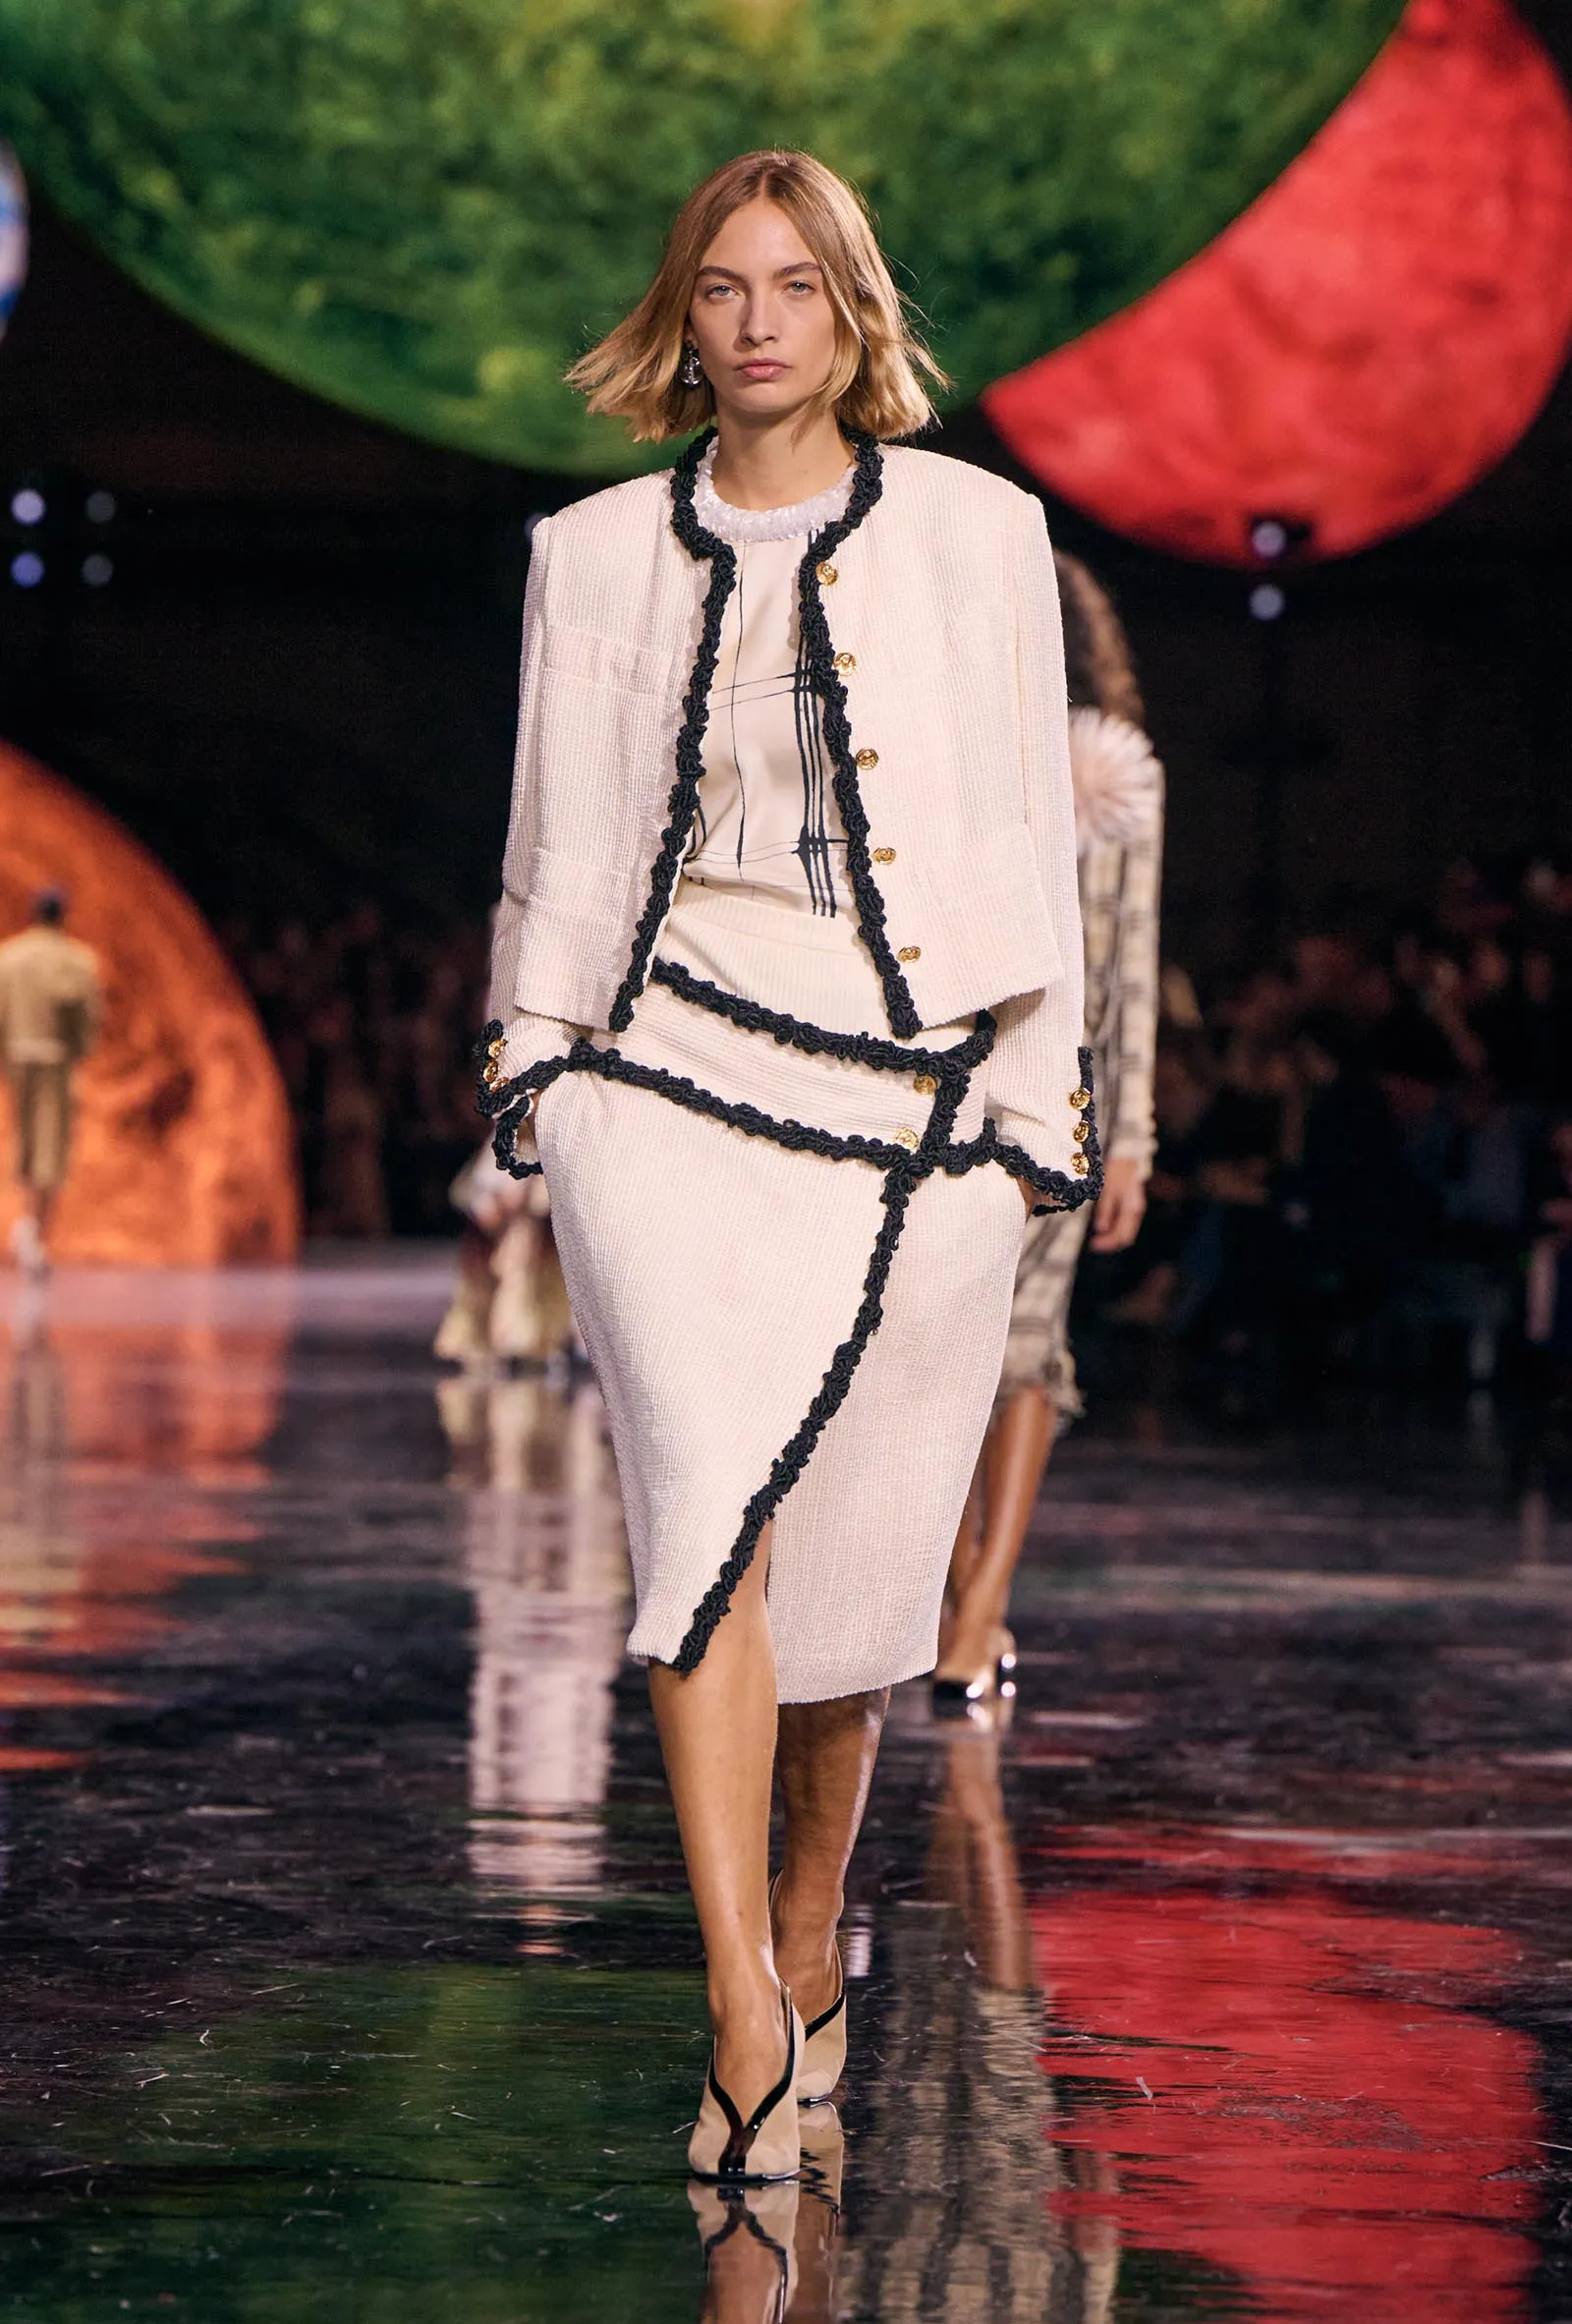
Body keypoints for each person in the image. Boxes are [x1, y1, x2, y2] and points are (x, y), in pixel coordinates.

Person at [477, 149, 1095, 2183]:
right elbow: (549, 829)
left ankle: (810, 1923)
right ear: (682, 315)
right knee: (700, 1518)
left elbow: (1028, 831)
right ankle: (742, 1998)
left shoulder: (977, 533)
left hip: (909, 1089)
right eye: (723, 286)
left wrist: (1038, 1115)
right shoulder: (589, 556)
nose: (756, 323)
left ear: (853, 313)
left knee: (843, 1572)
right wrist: (536, 1073)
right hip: (658, 1069)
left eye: (795, 287)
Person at [937, 554, 1161, 1710]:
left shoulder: (1115, 773)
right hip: (941, 1092)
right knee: (931, 1344)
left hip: (1057, 1096)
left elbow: (1130, 962)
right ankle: (962, 1592)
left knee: (1026, 1345)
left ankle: (978, 1609)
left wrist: (1131, 1140)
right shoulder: (946, 753)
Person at [0, 887, 101, 1276]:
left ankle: (28, 1227)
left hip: (18, 1056)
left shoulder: (9, 957)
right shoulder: (75, 960)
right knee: (51, 1149)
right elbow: (85, 1016)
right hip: (54, 1059)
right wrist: (80, 1050)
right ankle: (35, 1232)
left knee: (24, 1142)